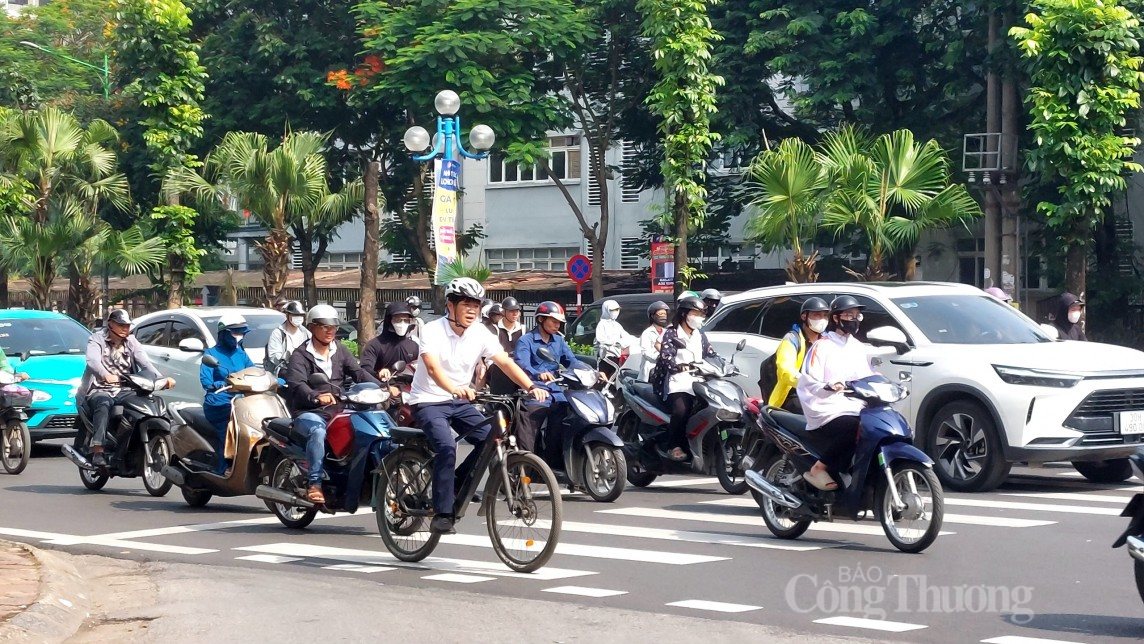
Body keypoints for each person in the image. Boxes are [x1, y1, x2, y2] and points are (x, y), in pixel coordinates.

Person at [406, 278, 547, 535]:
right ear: (450, 305)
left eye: (476, 304)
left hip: (460, 401)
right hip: (428, 401)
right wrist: (452, 388)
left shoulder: (481, 332)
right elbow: (433, 367)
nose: (472, 310)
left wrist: (530, 386)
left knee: (492, 438)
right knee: (447, 446)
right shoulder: (432, 330)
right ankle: (443, 513)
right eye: (466, 304)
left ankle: (456, 483)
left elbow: (504, 362)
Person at [285, 304, 382, 505]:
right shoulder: (300, 355)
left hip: (339, 408)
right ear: (312, 327)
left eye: (334, 327)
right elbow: (297, 384)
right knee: (317, 432)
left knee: (366, 426)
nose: (330, 331)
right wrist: (315, 396)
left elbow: (358, 373)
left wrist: (381, 387)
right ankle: (315, 483)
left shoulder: (340, 350)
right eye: (325, 326)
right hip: (309, 411)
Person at [795, 295, 876, 491]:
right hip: (825, 407)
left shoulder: (857, 346)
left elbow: (867, 375)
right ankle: (819, 468)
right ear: (836, 319)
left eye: (858, 316)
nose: (854, 320)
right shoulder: (822, 346)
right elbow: (808, 380)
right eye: (849, 315)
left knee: (876, 428)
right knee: (853, 428)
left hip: (852, 405)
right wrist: (828, 387)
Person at [79, 310, 175, 469]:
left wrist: (161, 378)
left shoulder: (131, 341)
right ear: (110, 324)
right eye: (121, 325)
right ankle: (98, 450)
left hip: (125, 388)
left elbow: (145, 364)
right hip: (99, 388)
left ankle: (131, 443)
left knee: (143, 404)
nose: (125, 328)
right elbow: (93, 361)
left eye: (127, 325)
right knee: (103, 404)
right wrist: (105, 374)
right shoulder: (97, 339)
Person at [651, 296, 718, 462]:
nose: (699, 317)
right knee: (682, 410)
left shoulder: (700, 336)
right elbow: (666, 356)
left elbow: (711, 354)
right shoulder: (671, 333)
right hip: (675, 382)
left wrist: (724, 365)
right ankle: (674, 445)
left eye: (701, 314)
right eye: (695, 313)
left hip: (697, 381)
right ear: (684, 314)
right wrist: (677, 366)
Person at [514, 301, 577, 461]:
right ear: (541, 319)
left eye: (559, 323)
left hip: (557, 392)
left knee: (569, 418)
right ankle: (524, 464)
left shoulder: (559, 341)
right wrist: (537, 374)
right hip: (535, 390)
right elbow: (522, 363)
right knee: (530, 421)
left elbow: (572, 361)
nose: (557, 326)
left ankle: (555, 463)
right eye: (554, 321)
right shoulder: (526, 340)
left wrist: (594, 372)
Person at [199, 313, 255, 473]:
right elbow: (205, 380)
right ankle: (225, 467)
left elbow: (253, 371)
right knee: (230, 427)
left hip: (240, 402)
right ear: (223, 333)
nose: (239, 336)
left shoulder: (241, 354)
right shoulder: (211, 354)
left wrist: (273, 379)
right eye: (235, 332)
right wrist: (215, 384)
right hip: (219, 403)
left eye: (241, 332)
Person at [767, 297, 830, 413]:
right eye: (817, 315)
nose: (822, 319)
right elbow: (785, 371)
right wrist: (808, 384)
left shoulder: (827, 341)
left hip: (822, 393)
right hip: (793, 393)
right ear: (804, 317)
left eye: (825, 315)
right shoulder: (791, 339)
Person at [359, 301, 419, 397]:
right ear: (389, 320)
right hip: (382, 392)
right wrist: (378, 373)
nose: (402, 323)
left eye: (406, 320)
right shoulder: (375, 345)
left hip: (410, 393)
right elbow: (365, 369)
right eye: (397, 320)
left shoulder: (414, 346)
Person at [265, 300, 310, 378]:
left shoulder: (306, 333)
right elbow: (274, 356)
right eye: (295, 315)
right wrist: (287, 358)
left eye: (301, 315)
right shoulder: (278, 333)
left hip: (304, 370)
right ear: (287, 315)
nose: (298, 318)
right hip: (285, 371)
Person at [594, 299, 638, 374]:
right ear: (606, 310)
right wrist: (615, 342)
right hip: (606, 357)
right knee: (606, 379)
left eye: (617, 309)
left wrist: (638, 340)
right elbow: (600, 339)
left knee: (615, 377)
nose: (616, 312)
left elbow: (626, 336)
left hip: (617, 355)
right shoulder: (602, 324)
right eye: (612, 310)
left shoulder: (616, 325)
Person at [636, 301, 670, 381]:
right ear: (652, 316)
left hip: (667, 367)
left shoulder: (667, 332)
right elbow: (645, 352)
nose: (664, 317)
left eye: (665, 314)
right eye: (661, 314)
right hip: (651, 369)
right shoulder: (647, 333)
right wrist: (659, 357)